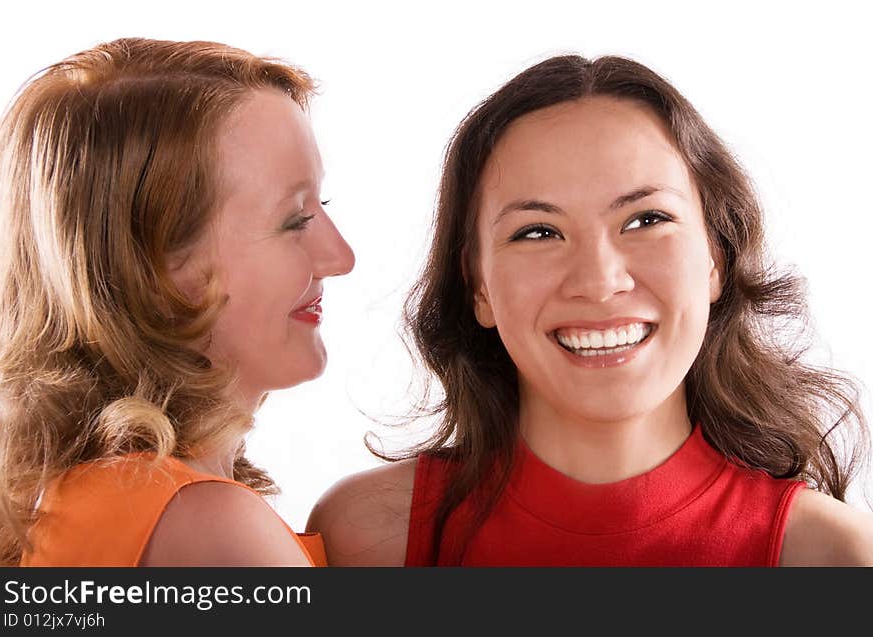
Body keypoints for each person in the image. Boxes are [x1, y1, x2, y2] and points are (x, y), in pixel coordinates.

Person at [307, 54, 873, 566]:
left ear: (716, 261)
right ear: (477, 285)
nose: (600, 282)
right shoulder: (368, 540)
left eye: (647, 220)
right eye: (538, 231)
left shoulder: (834, 557)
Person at [0, 37, 354, 566]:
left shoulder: (93, 500)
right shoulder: (204, 525)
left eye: (321, 205)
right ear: (154, 264)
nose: (339, 256)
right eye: (295, 219)